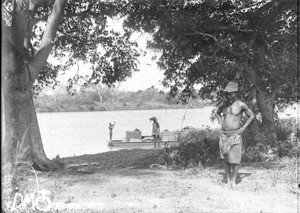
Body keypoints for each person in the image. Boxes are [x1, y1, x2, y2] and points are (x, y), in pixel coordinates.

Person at [214, 82, 254, 188]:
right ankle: (228, 180)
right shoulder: (224, 104)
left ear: (235, 93)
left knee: (236, 160)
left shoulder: (241, 104)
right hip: (224, 135)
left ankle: (233, 181)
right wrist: (222, 122)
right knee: (226, 159)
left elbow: (251, 115)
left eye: (231, 93)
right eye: (227, 93)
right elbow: (216, 113)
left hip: (235, 135)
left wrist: (243, 128)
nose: (229, 95)